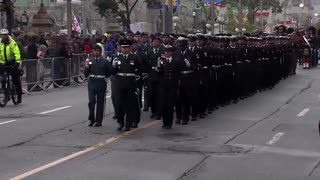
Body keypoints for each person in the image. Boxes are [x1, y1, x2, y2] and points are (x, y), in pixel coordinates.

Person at [112, 39, 142, 131]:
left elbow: (140, 68)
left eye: (127, 47)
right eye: (123, 48)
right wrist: (114, 66)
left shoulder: (134, 57)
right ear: (120, 48)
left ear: (129, 48)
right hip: (120, 84)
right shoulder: (117, 58)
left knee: (130, 105)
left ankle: (128, 124)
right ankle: (121, 122)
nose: (125, 49)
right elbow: (112, 72)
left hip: (130, 84)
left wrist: (137, 76)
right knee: (120, 105)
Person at [158, 45, 186, 129]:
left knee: (170, 105)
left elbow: (179, 73)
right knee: (163, 105)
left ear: (171, 52)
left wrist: (178, 83)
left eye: (169, 51)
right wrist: (159, 66)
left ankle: (169, 123)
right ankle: (165, 122)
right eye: (166, 51)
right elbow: (159, 73)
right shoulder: (162, 61)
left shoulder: (176, 61)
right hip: (163, 86)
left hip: (172, 86)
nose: (167, 53)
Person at [84, 45, 111, 127]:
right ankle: (92, 119)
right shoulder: (90, 61)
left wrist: (105, 78)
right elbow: (86, 74)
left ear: (100, 52)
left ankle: (99, 121)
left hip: (101, 83)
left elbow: (108, 72)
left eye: (98, 51)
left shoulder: (105, 61)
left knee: (100, 103)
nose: (96, 52)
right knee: (91, 102)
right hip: (92, 83)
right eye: (95, 51)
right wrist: (86, 68)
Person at [0, 29, 22, 104]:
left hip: (12, 62)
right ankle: (6, 94)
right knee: (3, 79)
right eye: (2, 35)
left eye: (5, 35)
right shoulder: (0, 43)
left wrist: (17, 62)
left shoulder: (12, 42)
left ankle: (19, 96)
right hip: (3, 63)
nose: (3, 36)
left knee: (16, 80)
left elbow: (17, 52)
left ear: (7, 35)